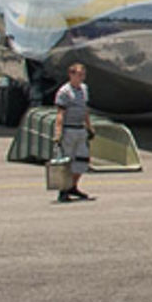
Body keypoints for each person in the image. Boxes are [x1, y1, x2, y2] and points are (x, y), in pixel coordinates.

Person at [52, 62, 95, 203]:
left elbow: (85, 109)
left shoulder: (84, 89)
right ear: (71, 75)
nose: (82, 78)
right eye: (79, 75)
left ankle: (73, 186)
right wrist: (58, 134)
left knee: (83, 160)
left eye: (83, 75)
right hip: (69, 129)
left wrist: (89, 127)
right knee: (67, 162)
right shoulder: (65, 92)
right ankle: (63, 190)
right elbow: (60, 114)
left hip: (80, 128)